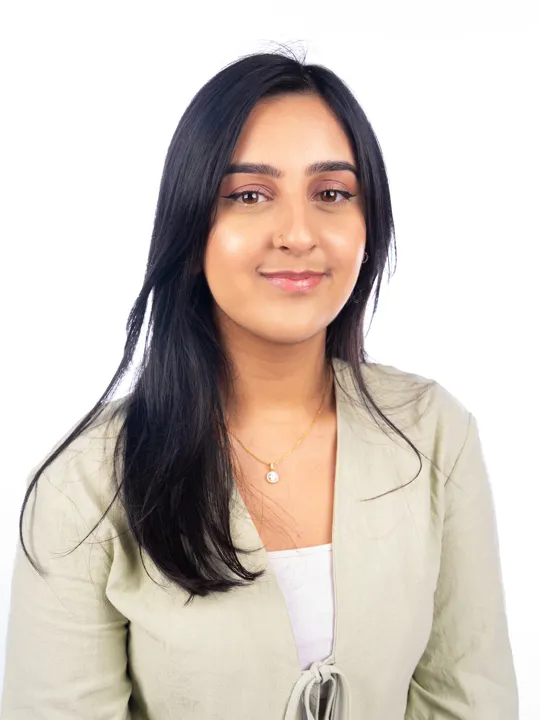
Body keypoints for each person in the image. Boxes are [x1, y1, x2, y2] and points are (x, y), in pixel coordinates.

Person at [1, 49, 519, 720]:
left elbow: (467, 697)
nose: (299, 234)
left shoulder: (434, 432)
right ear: (191, 229)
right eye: (249, 195)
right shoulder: (86, 486)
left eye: (332, 194)